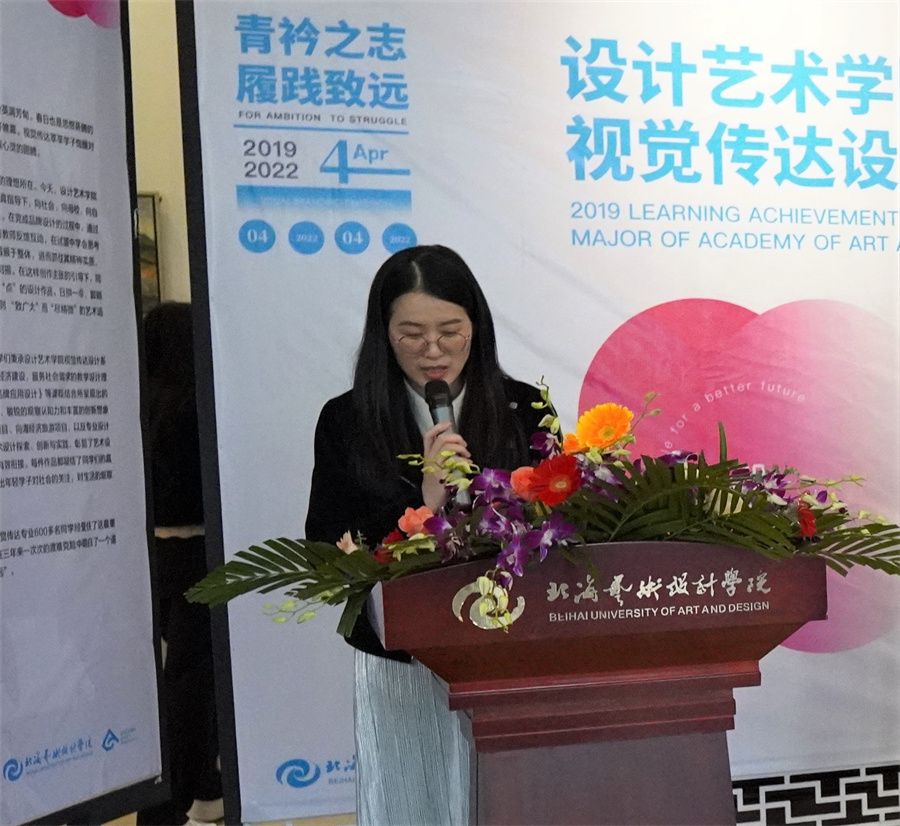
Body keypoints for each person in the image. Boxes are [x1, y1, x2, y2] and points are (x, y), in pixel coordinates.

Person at [305, 245, 544, 825]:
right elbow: (327, 551)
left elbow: (557, 526)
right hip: (402, 660)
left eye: (450, 331)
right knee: (414, 804)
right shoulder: (346, 420)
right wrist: (425, 501)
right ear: (383, 335)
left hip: (510, 652)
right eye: (411, 334)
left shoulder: (526, 408)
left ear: (476, 328)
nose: (433, 350)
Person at [138, 303, 222, 826]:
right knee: (194, 687)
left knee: (178, 679)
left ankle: (201, 789)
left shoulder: (137, 405)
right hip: (200, 553)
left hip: (151, 554)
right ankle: (172, 805)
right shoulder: (197, 405)